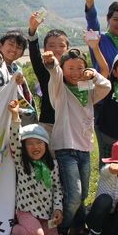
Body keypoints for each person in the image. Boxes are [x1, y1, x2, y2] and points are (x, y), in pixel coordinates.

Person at [43, 48, 111, 235]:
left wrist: (93, 73)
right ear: (63, 68)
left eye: (79, 68)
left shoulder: (87, 88)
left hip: (84, 149)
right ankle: (62, 230)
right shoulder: (59, 90)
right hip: (65, 148)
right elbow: (55, 74)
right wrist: (52, 64)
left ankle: (79, 225)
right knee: (74, 195)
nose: (75, 72)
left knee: (83, 193)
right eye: (70, 68)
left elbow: (105, 86)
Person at [7, 101, 63, 235]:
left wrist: (58, 209)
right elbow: (14, 140)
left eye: (39, 143)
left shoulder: (53, 165)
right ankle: (15, 232)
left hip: (46, 214)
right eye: (30, 144)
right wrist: (15, 115)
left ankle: (37, 234)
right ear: (24, 148)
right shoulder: (21, 162)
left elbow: (57, 188)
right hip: (27, 211)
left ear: (46, 145)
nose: (35, 147)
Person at [26, 11, 70, 140]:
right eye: (51, 46)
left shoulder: (76, 71)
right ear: (45, 50)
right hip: (48, 125)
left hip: (71, 125)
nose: (57, 49)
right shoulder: (44, 71)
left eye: (62, 46)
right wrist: (33, 30)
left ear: (68, 48)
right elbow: (34, 55)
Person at [0, 29, 36, 124]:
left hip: (15, 115)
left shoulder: (17, 69)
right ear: (0, 46)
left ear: (22, 53)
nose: (14, 49)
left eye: (19, 47)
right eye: (11, 45)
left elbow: (26, 96)